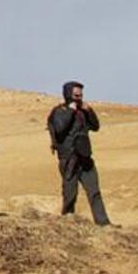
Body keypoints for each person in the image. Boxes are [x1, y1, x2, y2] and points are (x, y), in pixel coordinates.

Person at [47, 80, 108, 224]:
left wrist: (89, 111)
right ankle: (68, 221)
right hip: (69, 157)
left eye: (80, 95)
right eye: (76, 95)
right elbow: (60, 128)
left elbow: (95, 126)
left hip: (85, 157)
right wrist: (70, 111)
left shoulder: (82, 111)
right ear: (68, 94)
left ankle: (103, 223)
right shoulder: (59, 112)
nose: (79, 98)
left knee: (94, 191)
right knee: (70, 192)